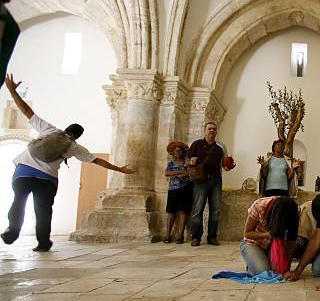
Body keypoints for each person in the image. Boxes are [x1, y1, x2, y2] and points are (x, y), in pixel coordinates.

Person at [0, 74, 135, 251]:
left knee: (19, 201)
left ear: (66, 129)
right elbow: (97, 161)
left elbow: (26, 111)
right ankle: (43, 243)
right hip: (47, 178)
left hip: (23, 172)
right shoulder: (74, 147)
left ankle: (13, 230)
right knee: (43, 210)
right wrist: (120, 169)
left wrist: (12, 91)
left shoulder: (49, 130)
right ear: (78, 136)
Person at [187, 121, 235, 247]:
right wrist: (191, 161)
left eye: (214, 129)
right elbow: (188, 160)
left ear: (216, 131)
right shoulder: (196, 144)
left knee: (215, 210)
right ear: (205, 130)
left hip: (216, 181)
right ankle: (196, 237)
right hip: (200, 181)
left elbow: (224, 165)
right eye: (209, 129)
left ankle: (212, 237)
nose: (212, 131)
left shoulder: (220, 148)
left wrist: (229, 167)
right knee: (198, 210)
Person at [239, 196, 299, 274]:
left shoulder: (293, 211)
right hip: (253, 243)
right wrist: (268, 234)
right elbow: (247, 233)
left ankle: (261, 260)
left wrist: (287, 268)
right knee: (263, 272)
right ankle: (252, 263)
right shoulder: (259, 205)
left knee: (278, 271)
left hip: (274, 246)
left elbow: (291, 240)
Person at [163, 141, 192, 244]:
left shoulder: (186, 162)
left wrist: (181, 173)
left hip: (185, 189)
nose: (178, 152)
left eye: (180, 150)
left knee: (183, 212)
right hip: (173, 190)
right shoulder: (171, 163)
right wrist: (180, 172)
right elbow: (167, 173)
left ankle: (180, 235)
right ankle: (167, 235)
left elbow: (189, 172)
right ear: (173, 153)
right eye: (176, 151)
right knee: (171, 212)